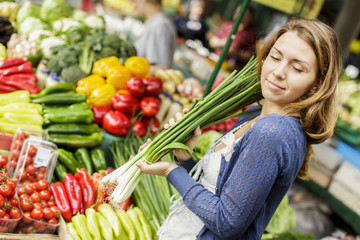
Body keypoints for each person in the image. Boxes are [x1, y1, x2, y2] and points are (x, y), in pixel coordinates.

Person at [136, 18, 342, 239]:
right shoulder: (255, 114)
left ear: (317, 85)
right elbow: (215, 195)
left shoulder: (272, 131)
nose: (278, 71)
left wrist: (171, 172)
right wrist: (184, 158)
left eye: (298, 68)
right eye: (275, 56)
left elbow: (226, 222)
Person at [132, 0, 177, 73]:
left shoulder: (160, 25)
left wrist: (129, 71)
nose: (132, 2)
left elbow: (162, 68)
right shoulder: (154, 22)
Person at [208, 5, 257, 70]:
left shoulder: (251, 34)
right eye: (237, 12)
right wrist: (221, 42)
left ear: (249, 17)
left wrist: (235, 52)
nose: (238, 15)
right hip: (214, 61)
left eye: (242, 13)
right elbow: (212, 41)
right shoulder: (228, 26)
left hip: (230, 69)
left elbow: (251, 56)